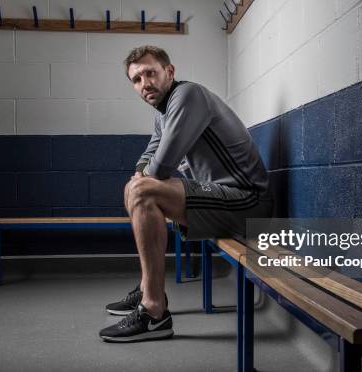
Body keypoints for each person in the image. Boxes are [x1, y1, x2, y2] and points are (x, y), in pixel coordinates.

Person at [99, 45, 272, 342]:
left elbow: (164, 163)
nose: (145, 84)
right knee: (136, 187)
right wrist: (140, 174)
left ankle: (153, 311)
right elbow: (149, 153)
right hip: (220, 197)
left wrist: (142, 179)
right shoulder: (162, 113)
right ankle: (147, 289)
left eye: (150, 73)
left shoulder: (188, 95)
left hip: (246, 201)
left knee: (141, 191)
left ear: (170, 71)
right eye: (137, 80)